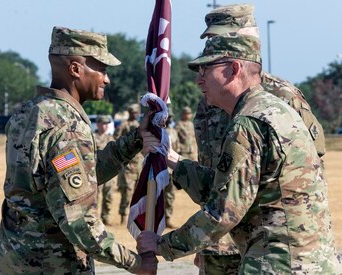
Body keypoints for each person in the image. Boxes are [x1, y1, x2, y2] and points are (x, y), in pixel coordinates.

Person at [137, 33, 340, 274]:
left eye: (206, 70)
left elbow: (223, 212)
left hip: (276, 264)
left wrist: (162, 244)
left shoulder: (248, 124)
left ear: (233, 69)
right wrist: (172, 159)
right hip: (310, 261)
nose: (199, 81)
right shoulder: (274, 110)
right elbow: (233, 189)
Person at [0, 26, 157, 274]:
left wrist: (134, 140)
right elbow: (78, 220)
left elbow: (78, 177)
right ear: (76, 69)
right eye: (101, 69)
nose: (107, 78)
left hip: (11, 260)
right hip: (52, 265)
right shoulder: (67, 127)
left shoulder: (28, 113)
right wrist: (135, 263)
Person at [192, 4, 327, 274]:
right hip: (219, 240)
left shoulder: (282, 96)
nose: (215, 45)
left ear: (249, 38)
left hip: (269, 241)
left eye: (223, 37)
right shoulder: (209, 102)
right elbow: (212, 171)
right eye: (211, 39)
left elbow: (307, 169)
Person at [113, 103, 144, 225]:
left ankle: (135, 218)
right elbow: (116, 139)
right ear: (130, 112)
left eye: (137, 112)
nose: (136, 114)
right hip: (128, 166)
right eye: (134, 112)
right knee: (127, 193)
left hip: (139, 165)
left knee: (139, 193)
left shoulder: (140, 125)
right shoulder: (124, 125)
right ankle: (123, 217)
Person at [94, 115, 115, 225]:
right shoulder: (92, 137)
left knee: (109, 196)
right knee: (94, 198)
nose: (105, 126)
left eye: (107, 124)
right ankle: (94, 219)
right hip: (95, 173)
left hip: (109, 172)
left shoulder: (110, 138)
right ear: (97, 124)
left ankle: (105, 217)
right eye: (103, 123)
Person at [164, 108, 178, 228]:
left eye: (170, 117)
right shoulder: (156, 131)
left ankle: (167, 218)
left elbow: (178, 149)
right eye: (167, 117)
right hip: (158, 168)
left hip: (171, 168)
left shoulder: (173, 132)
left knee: (169, 195)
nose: (169, 119)